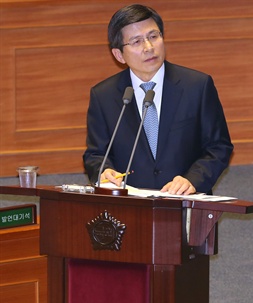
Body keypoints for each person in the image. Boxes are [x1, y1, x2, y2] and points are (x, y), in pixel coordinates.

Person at [83, 4, 233, 195]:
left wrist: (192, 180)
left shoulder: (197, 86)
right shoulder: (103, 95)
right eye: (136, 42)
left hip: (187, 204)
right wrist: (103, 172)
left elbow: (219, 146)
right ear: (119, 54)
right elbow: (95, 155)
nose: (149, 47)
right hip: (129, 207)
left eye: (153, 37)